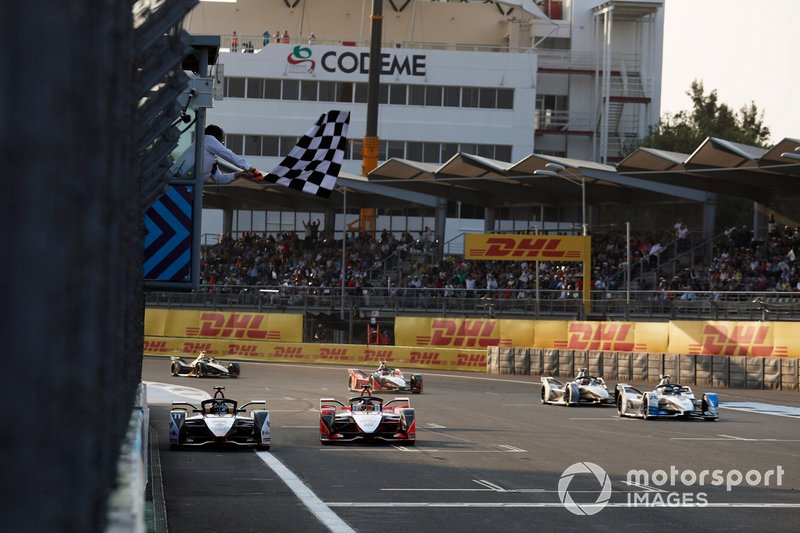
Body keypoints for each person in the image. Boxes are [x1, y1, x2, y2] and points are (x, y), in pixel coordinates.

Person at [170, 124, 258, 185]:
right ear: (216, 139)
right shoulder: (208, 139)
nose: (221, 144)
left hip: (184, 184)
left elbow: (219, 179)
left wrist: (241, 174)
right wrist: (250, 169)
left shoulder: (207, 156)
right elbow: (230, 155)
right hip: (179, 182)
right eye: (221, 140)